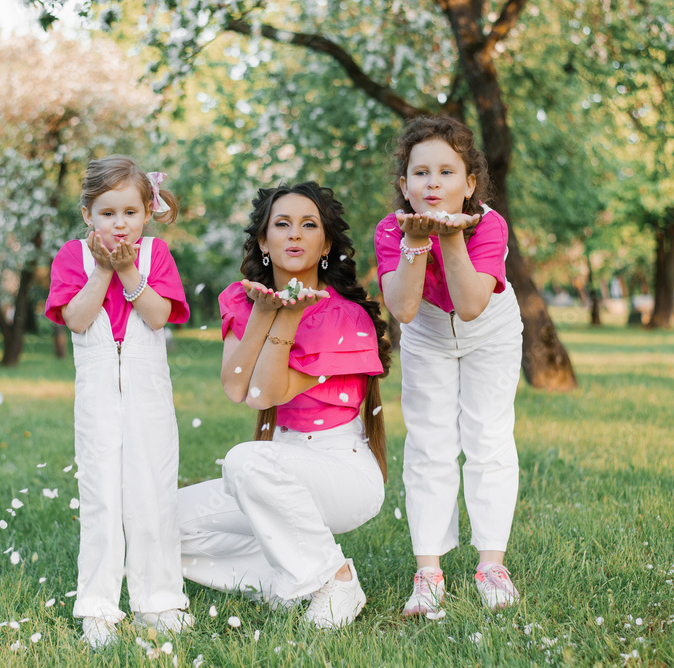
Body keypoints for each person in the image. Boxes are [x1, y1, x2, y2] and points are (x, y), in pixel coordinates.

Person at [178, 182, 390, 629]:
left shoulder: (345, 317)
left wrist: (287, 318)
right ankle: (289, 580)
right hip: (276, 465)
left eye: (309, 225)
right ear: (263, 241)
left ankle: (336, 577)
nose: (294, 234)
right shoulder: (244, 301)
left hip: (341, 469)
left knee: (245, 461)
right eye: (282, 224)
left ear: (326, 245)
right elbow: (236, 386)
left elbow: (263, 395)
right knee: (156, 524)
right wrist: (263, 312)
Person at [374, 116, 524, 617]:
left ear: (470, 184)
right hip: (427, 330)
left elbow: (472, 305)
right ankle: (429, 573)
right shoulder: (390, 230)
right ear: (405, 186)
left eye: (446, 172)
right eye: (420, 173)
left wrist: (452, 235)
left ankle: (491, 566)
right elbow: (404, 308)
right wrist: (417, 242)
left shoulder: (490, 225)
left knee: (488, 437)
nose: (433, 183)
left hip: (489, 326)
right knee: (429, 443)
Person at [45, 155, 193, 648]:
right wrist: (104, 271)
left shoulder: (155, 255)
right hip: (97, 391)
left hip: (148, 390)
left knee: (153, 490)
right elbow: (76, 319)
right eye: (107, 213)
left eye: (130, 212)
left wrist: (128, 271)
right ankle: (98, 605)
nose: (120, 223)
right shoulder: (73, 256)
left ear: (147, 212)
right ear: (87, 214)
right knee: (102, 493)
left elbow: (158, 316)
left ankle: (159, 599)